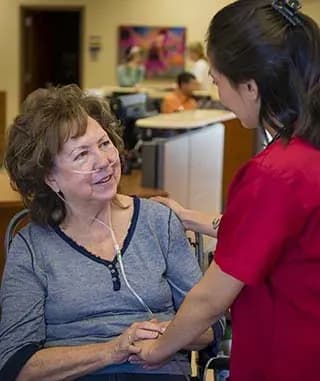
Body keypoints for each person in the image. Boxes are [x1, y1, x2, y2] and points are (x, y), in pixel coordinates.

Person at [130, 1, 320, 381]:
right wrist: (186, 216)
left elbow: (210, 299)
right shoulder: (305, 155)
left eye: (217, 81)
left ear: (250, 86)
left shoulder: (275, 173)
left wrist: (156, 350)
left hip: (287, 359)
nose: (219, 96)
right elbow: (276, 235)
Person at [0, 84, 220, 381]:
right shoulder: (32, 246)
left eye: (104, 144)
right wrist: (113, 349)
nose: (104, 161)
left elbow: (209, 328)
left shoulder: (158, 223)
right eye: (81, 155)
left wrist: (172, 333)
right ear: (50, 177)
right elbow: (16, 364)